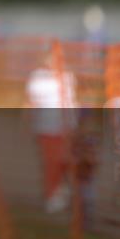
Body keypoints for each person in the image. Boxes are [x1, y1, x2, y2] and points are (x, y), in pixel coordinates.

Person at [25, 54, 79, 214]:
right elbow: (32, 102)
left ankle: (61, 189)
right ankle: (52, 196)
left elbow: (72, 99)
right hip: (47, 127)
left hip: (67, 126)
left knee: (66, 160)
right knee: (51, 162)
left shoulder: (68, 76)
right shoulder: (38, 78)